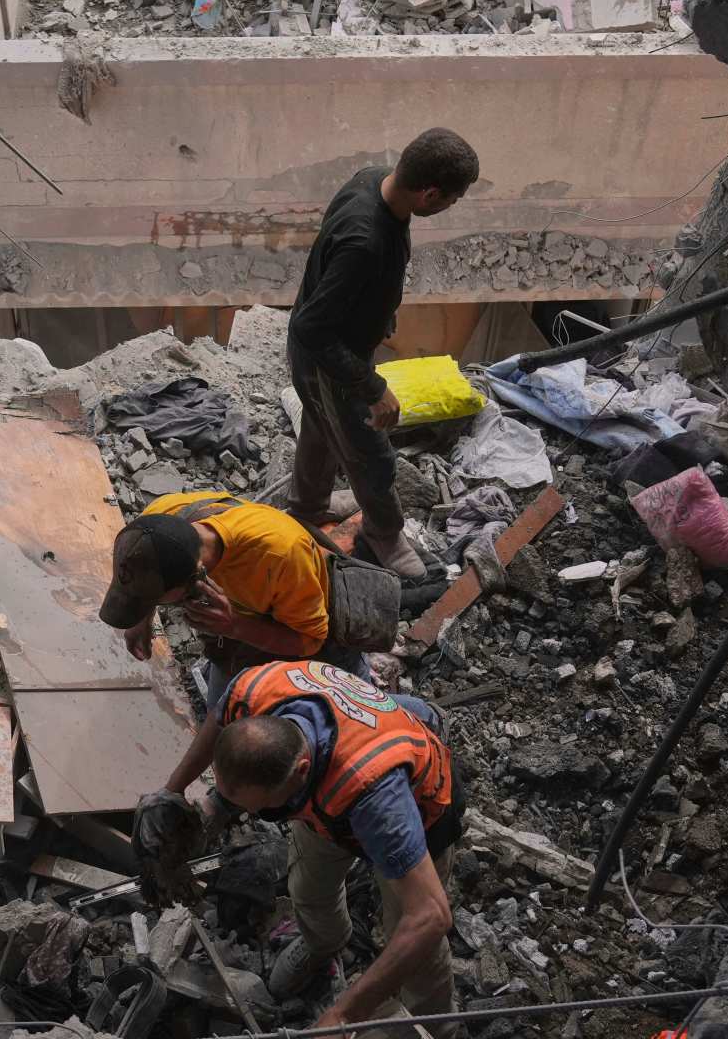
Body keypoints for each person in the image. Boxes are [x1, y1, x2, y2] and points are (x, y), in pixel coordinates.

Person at [159, 660, 464, 1035]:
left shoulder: (374, 799)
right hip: (327, 805)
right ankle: (324, 944)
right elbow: (218, 721)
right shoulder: (251, 690)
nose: (250, 814)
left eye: (260, 807)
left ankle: (438, 1024)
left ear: (302, 771)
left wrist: (342, 1015)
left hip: (417, 807)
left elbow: (431, 917)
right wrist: (170, 794)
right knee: (308, 887)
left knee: (412, 938)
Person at [286, 129, 481, 581]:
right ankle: (385, 534)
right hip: (328, 360)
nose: (451, 206)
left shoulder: (373, 180)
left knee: (319, 427)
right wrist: (372, 388)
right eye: (452, 199)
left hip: (334, 347)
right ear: (430, 193)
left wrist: (381, 312)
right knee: (371, 454)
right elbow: (312, 327)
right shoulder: (364, 243)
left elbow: (355, 281)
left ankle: (308, 506)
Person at [96, 490, 363, 703]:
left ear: (197, 578)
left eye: (156, 599)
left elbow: (310, 639)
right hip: (250, 607)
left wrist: (235, 626)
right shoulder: (158, 518)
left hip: (305, 620)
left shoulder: (279, 558)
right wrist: (139, 619)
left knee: (227, 710)